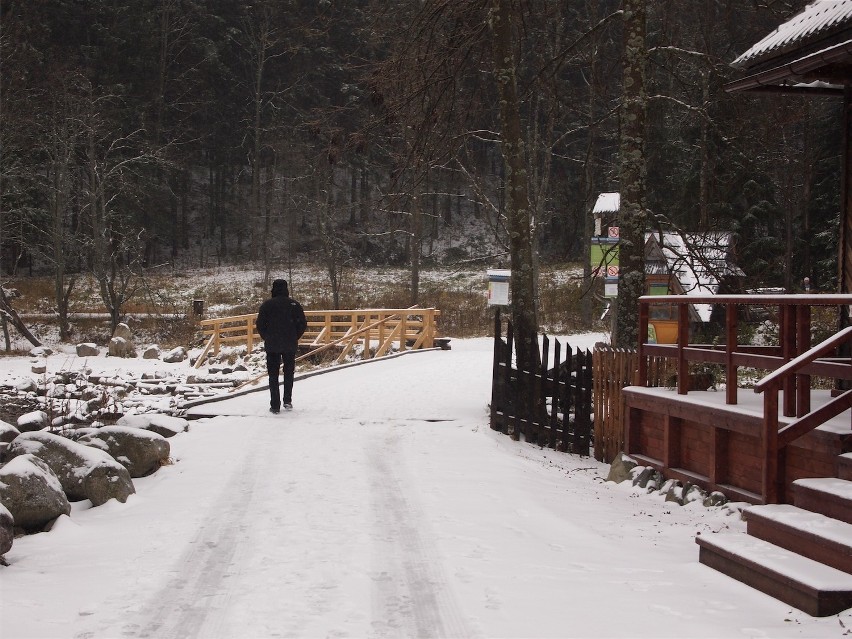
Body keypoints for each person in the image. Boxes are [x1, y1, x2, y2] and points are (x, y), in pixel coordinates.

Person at [256, 279, 307, 413]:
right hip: (289, 343)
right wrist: (294, 336)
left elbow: (260, 325)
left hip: (272, 344)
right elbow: (302, 324)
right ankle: (287, 400)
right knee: (289, 372)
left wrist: (267, 336)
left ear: (273, 289)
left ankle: (275, 405)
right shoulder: (294, 305)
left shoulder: (267, 305)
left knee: (273, 374)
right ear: (286, 289)